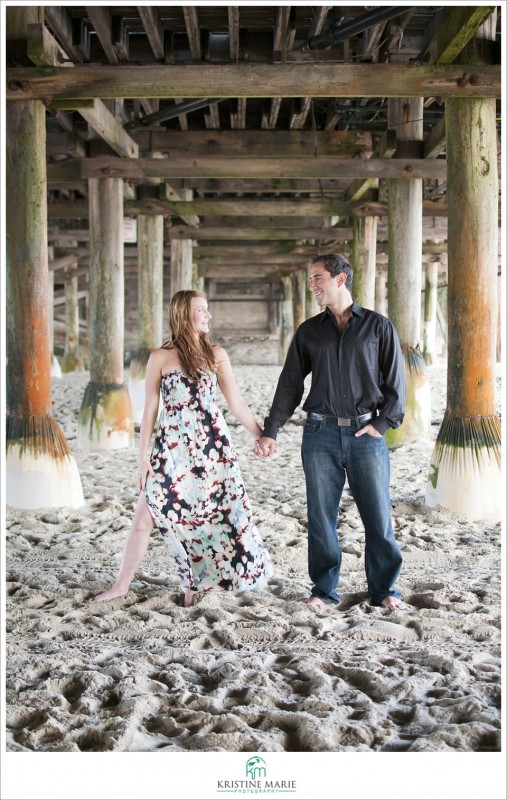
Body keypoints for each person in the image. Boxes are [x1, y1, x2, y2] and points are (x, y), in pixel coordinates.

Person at [90, 289, 273, 608]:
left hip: (211, 451)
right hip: (170, 451)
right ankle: (121, 585)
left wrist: (262, 435)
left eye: (207, 309)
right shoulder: (160, 357)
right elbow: (149, 410)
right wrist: (143, 459)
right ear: (183, 314)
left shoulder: (216, 353)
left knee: (202, 519)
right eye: (202, 310)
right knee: (144, 517)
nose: (208, 315)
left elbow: (236, 403)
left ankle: (193, 587)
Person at [255, 253, 406, 610]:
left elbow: (397, 383)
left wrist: (381, 424)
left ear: (340, 279)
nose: (313, 285)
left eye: (317, 278)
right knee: (321, 515)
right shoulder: (309, 331)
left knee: (378, 514)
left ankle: (384, 590)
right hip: (319, 434)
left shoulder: (378, 327)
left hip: (365, 434)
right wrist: (271, 430)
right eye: (311, 279)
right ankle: (323, 590)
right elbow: (290, 383)